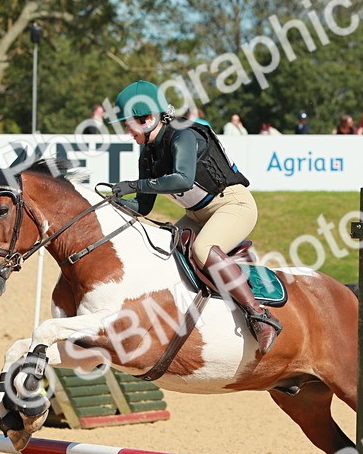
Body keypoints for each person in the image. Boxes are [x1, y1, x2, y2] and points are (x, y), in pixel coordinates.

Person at [106, 80, 281, 354]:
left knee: (202, 249)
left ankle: (261, 317)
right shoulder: (148, 152)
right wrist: (114, 204)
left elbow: (182, 180)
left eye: (128, 123)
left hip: (233, 206)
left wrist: (135, 184)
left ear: (148, 119)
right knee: (163, 249)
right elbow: (144, 206)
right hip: (197, 214)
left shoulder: (183, 135)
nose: (126, 130)